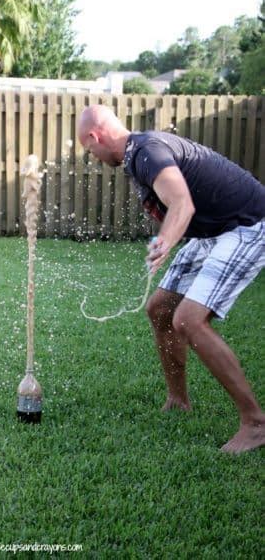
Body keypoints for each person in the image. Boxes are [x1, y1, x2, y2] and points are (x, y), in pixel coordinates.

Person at [77, 104, 265, 454]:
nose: (94, 157)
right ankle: (178, 401)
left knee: (189, 320)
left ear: (95, 136)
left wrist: (163, 244)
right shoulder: (138, 157)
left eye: (90, 150)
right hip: (213, 231)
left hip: (247, 225)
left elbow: (182, 204)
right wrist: (163, 240)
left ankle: (256, 423)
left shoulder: (146, 151)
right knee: (161, 309)